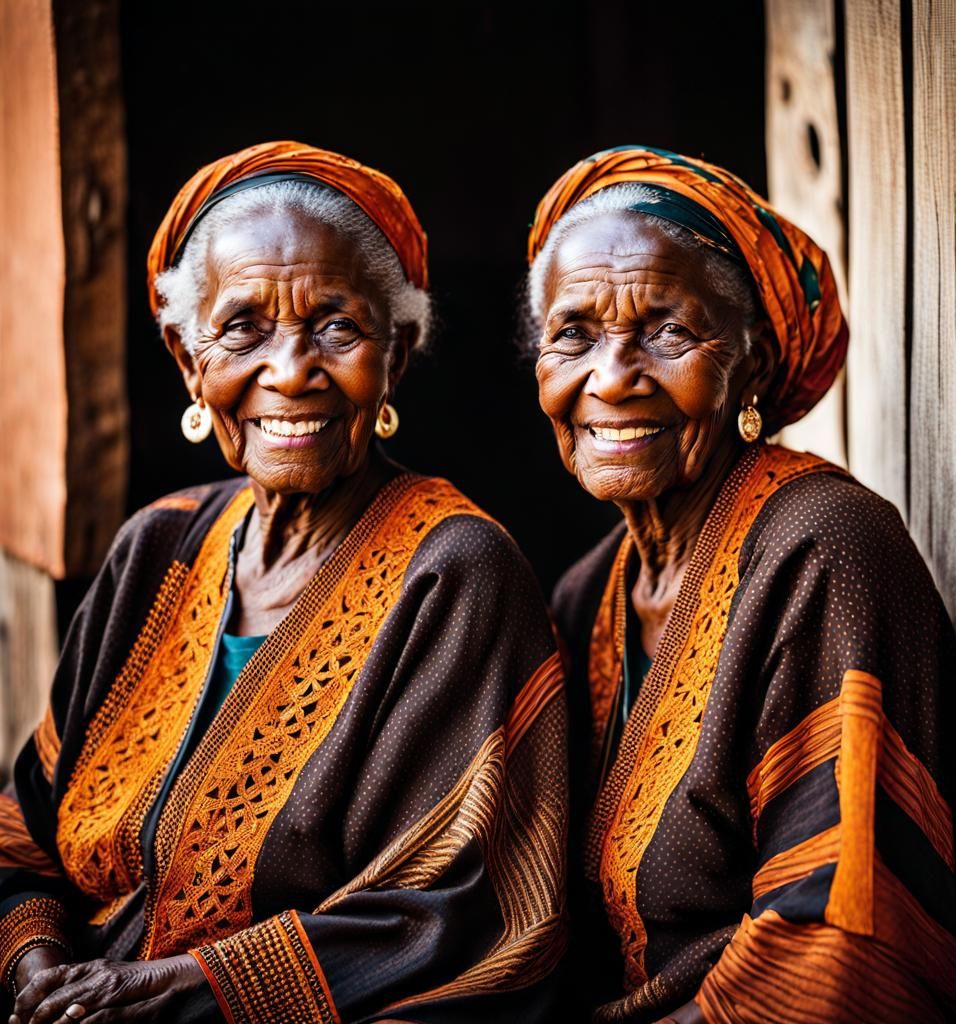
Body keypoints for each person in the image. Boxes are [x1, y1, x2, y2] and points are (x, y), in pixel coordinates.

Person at [0, 141, 566, 1024]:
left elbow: (454, 913)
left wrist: (170, 993)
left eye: (336, 327)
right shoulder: (159, 548)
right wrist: (36, 968)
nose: (292, 369)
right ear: (189, 361)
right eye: (243, 328)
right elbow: (25, 832)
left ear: (397, 356)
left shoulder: (454, 573)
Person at [525, 145, 956, 1023]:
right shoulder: (584, 596)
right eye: (573, 334)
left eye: (667, 331)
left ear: (752, 366)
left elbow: (840, 937)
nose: (609, 378)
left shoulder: (824, 549)